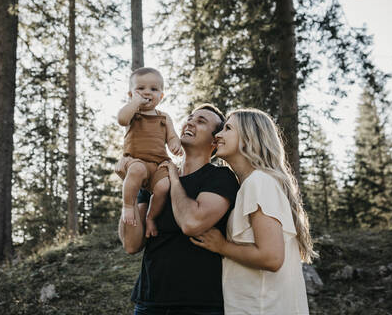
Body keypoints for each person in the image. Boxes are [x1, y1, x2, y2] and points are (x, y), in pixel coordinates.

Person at [190, 108, 316, 315]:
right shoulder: (252, 184)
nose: (218, 135)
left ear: (249, 138)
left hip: (263, 308)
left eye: (227, 128)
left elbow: (271, 258)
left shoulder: (259, 182)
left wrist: (221, 246)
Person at [117, 104, 239, 315]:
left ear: (214, 141)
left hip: (200, 305)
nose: (190, 122)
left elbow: (194, 222)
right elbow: (131, 244)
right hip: (150, 303)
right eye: (190, 117)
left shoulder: (220, 177)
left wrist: (174, 177)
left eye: (201, 121)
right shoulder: (156, 176)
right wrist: (130, 185)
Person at [117, 67, 183, 238]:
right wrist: (134, 103)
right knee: (137, 171)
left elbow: (172, 136)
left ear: (161, 96)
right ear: (131, 94)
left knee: (163, 187)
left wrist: (175, 145)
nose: (147, 92)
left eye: (153, 89)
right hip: (136, 160)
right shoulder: (133, 113)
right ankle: (128, 206)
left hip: (159, 163)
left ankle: (151, 217)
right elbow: (121, 119)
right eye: (140, 89)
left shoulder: (164, 117)